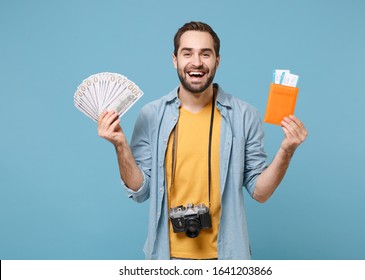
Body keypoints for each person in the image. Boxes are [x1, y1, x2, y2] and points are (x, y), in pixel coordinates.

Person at [97, 21, 308, 260]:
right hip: (165, 258)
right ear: (175, 59)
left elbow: (260, 192)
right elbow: (139, 191)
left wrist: (287, 150)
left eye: (205, 54)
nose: (196, 62)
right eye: (187, 53)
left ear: (217, 61)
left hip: (227, 259)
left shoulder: (244, 115)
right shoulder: (151, 115)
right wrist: (120, 144)